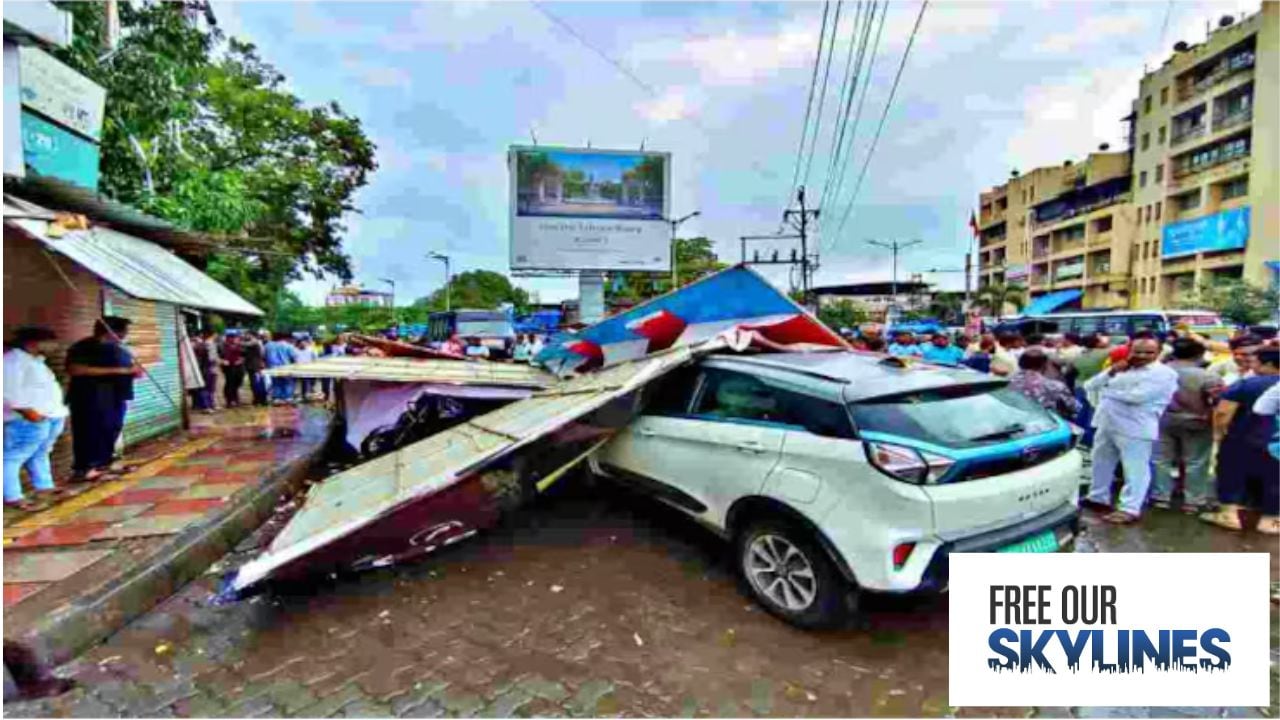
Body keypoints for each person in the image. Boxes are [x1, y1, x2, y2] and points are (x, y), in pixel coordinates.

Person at [1081, 338, 1178, 524]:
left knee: (1135, 469)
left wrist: (1106, 391)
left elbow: (1137, 397)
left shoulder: (1164, 374)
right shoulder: (1122, 368)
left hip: (1135, 427)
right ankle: (1097, 498)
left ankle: (1130, 509)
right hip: (1106, 422)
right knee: (1100, 462)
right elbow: (1089, 385)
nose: (1142, 356)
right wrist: (1111, 372)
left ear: (1158, 353)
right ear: (1130, 350)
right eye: (1138, 351)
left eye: (1148, 352)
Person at [1201, 348, 1280, 534]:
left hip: (1243, 439)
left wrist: (1219, 435)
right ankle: (1271, 520)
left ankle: (1229, 515)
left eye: (1255, 362)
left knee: (1232, 474)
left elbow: (1222, 413)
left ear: (1267, 364)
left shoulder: (1246, 384)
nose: (1252, 366)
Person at [1151, 338, 1223, 513]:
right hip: (1197, 421)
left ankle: (1161, 497)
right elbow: (1217, 401)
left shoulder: (1158, 372)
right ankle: (1193, 501)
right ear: (1199, 354)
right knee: (1196, 461)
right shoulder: (1207, 376)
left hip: (1162, 419)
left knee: (1161, 459)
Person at [66, 317, 140, 482]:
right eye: (123, 331)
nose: (125, 334)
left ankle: (103, 464)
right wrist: (120, 371)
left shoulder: (119, 348)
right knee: (90, 431)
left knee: (111, 429)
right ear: (110, 330)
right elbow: (75, 370)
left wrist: (133, 372)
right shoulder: (84, 347)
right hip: (91, 397)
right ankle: (85, 468)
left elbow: (127, 369)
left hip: (116, 396)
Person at [4, 327, 70, 509]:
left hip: (48, 415)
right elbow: (8, 391)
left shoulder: (36, 361)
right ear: (34, 343)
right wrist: (28, 412)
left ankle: (44, 486)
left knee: (40, 453)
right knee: (13, 457)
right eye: (50, 342)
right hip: (27, 418)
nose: (54, 346)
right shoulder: (12, 361)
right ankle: (12, 496)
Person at [1066, 333, 1111, 449]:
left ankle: (1079, 439)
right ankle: (1090, 441)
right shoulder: (1104, 353)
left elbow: (1070, 369)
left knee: (1081, 414)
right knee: (1092, 415)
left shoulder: (1078, 354)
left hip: (1079, 385)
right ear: (1097, 342)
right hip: (1095, 387)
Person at [1008, 349, 1080, 419]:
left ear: (1020, 363)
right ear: (1044, 364)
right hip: (1047, 425)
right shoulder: (1055, 386)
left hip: (1013, 426)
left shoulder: (1005, 384)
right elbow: (1074, 407)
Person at [264, 332, 299, 405]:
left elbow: (264, 356)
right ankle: (287, 398)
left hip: (272, 368)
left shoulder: (267, 346)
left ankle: (277, 398)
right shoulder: (289, 346)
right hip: (286, 367)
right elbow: (294, 357)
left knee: (276, 383)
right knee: (287, 383)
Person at [191, 328, 219, 413]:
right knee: (207, 388)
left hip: (206, 369)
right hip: (209, 369)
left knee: (209, 388)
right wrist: (219, 361)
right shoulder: (209, 344)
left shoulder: (203, 344)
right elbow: (211, 358)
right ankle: (206, 406)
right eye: (216, 334)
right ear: (213, 334)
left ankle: (210, 405)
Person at [219, 331, 246, 408]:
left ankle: (235, 399)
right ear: (228, 338)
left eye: (235, 337)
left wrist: (241, 360)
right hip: (229, 367)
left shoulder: (239, 345)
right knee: (230, 383)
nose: (234, 339)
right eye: (232, 337)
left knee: (238, 382)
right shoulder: (223, 346)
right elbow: (221, 356)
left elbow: (244, 354)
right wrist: (223, 361)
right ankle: (230, 400)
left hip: (239, 367)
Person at [242, 331, 268, 407]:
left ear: (252, 335)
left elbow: (247, 345)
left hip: (255, 366)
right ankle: (259, 399)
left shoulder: (255, 342)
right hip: (253, 366)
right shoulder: (257, 342)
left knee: (256, 383)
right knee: (255, 383)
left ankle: (260, 399)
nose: (245, 336)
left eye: (246, 334)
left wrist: (238, 342)